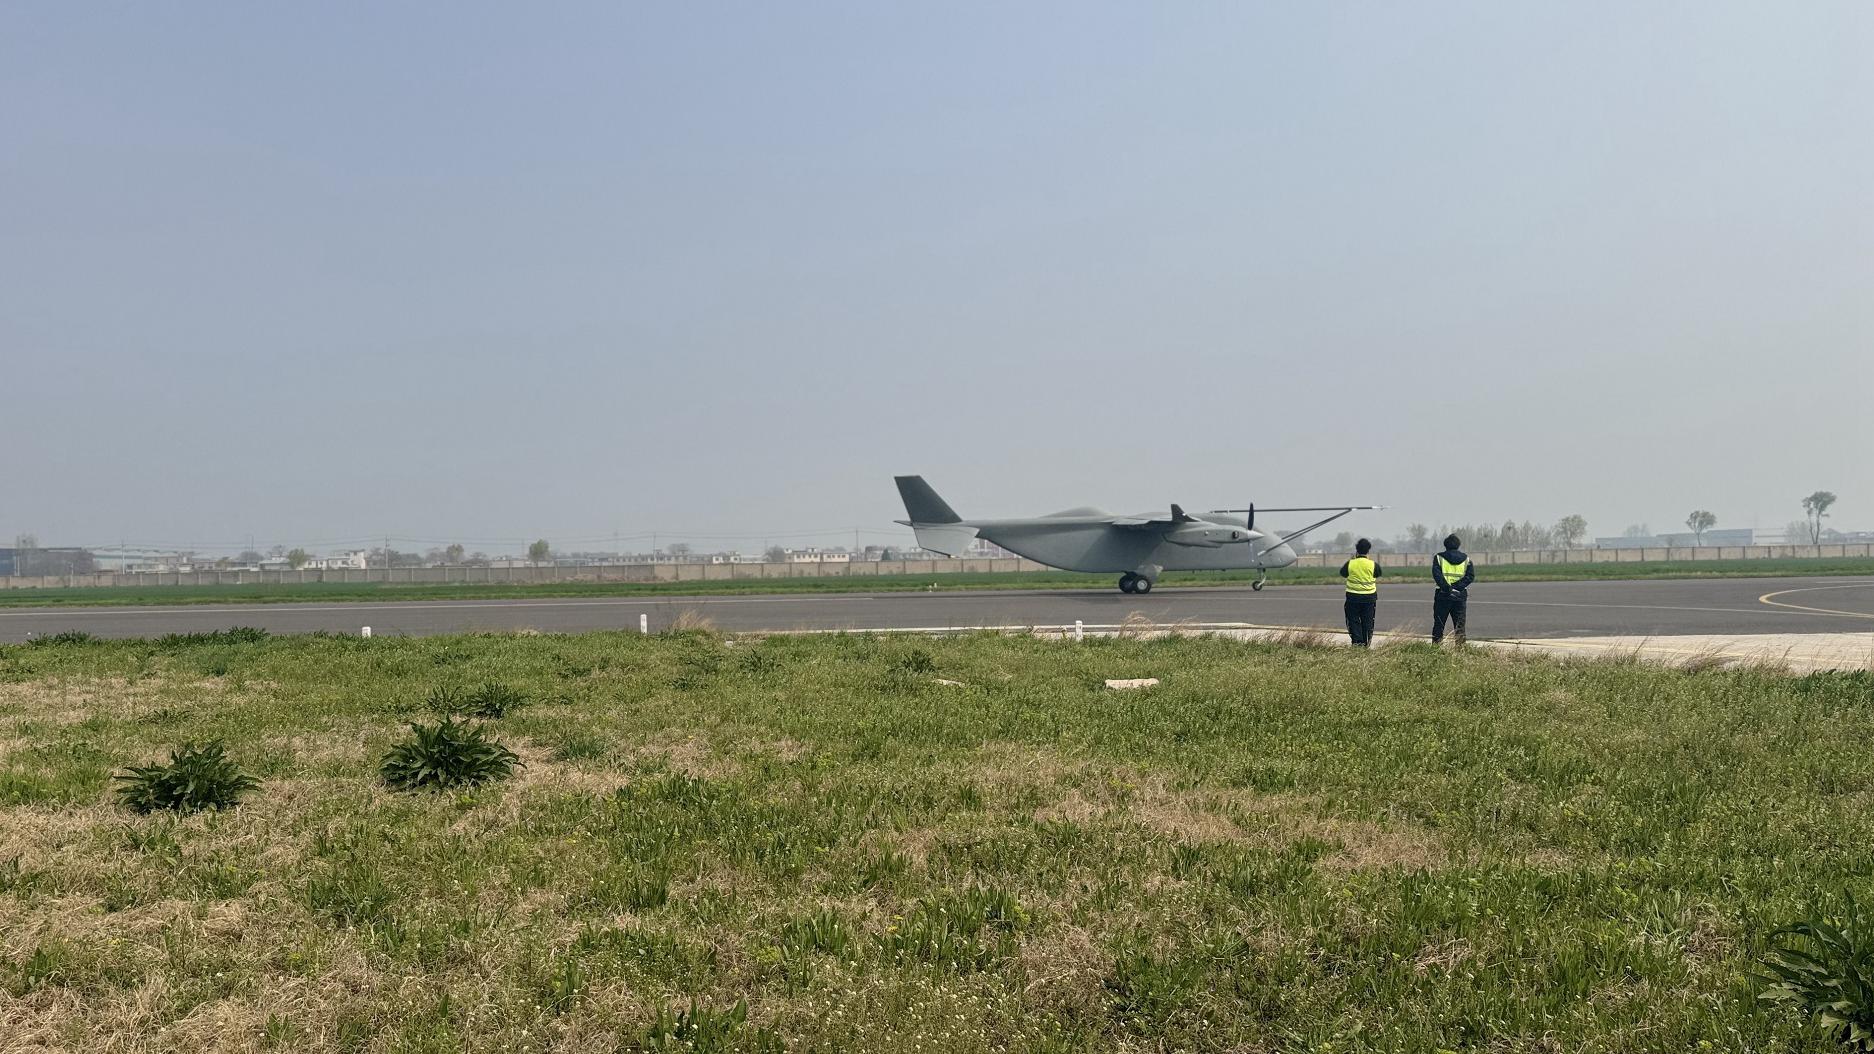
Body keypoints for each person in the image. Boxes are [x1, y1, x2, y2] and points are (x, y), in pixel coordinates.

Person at [1432, 533, 1475, 644]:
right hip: (1460, 596)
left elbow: (1437, 575)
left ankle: (1436, 648)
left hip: (1442, 595)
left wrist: (1448, 588)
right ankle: (1460, 650)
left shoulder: (1438, 558)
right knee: (1460, 626)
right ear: (1458, 545)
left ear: (1445, 545)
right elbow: (1470, 576)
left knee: (1439, 625)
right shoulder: (1466, 559)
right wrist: (1457, 587)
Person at [1339, 538, 1380, 647]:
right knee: (1368, 621)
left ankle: (1357, 642)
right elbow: (1377, 574)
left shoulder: (1351, 563)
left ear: (1356, 550)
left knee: (1353, 620)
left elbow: (1343, 573)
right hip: (1369, 597)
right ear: (1368, 551)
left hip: (1353, 597)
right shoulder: (1372, 564)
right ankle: (1366, 642)